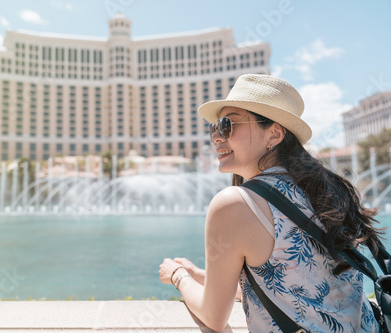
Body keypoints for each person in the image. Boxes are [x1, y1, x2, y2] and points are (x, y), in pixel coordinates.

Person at [158, 74, 384, 332]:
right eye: (214, 128)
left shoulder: (235, 203)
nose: (217, 137)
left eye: (227, 124)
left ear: (274, 134)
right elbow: (295, 289)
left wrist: (178, 276)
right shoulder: (327, 189)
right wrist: (199, 274)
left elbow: (213, 317)